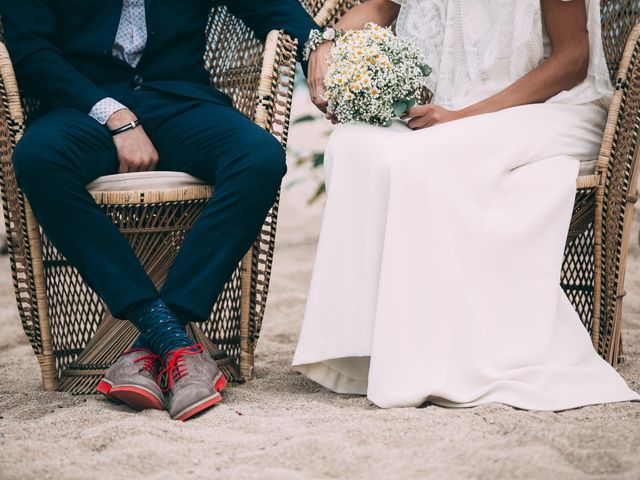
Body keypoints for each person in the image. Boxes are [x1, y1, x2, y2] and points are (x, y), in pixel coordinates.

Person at [294, 0, 640, 410]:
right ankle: (358, 353)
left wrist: (464, 116)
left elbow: (573, 61)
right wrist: (327, 43)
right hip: (449, 109)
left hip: (552, 110)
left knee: (422, 160)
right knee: (352, 145)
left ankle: (439, 355)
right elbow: (381, 6)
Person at [0, 0, 319, 421]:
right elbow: (32, 53)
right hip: (83, 106)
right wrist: (115, 116)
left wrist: (319, 44)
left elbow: (270, 6)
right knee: (38, 159)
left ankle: (155, 339)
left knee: (259, 158)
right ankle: (170, 338)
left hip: (179, 99)